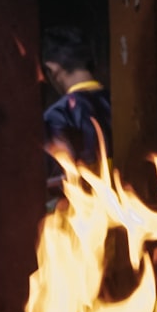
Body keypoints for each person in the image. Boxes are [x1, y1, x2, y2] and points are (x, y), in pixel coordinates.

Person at [40, 24, 113, 204]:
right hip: (130, 211)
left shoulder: (58, 115)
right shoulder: (121, 103)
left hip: (84, 218)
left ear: (52, 68)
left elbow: (60, 181)